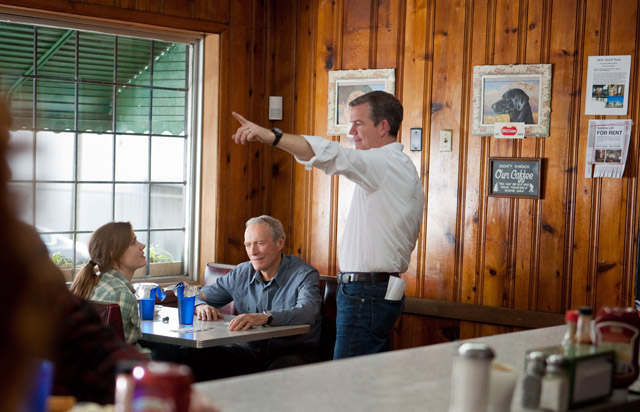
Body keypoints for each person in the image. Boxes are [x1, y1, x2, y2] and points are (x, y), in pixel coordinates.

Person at [0, 98, 220, 411]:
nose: (8, 172)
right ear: (116, 252)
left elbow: (85, 342)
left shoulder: (18, 248)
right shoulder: (117, 288)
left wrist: (148, 383)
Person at [231, 91, 424, 359]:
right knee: (366, 381)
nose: (351, 131)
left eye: (359, 123)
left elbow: (332, 155)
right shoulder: (393, 166)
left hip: (366, 294)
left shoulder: (385, 163)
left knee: (345, 383)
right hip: (373, 292)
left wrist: (272, 136)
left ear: (383, 127)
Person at [187, 215, 321, 381]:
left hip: (292, 352)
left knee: (276, 375)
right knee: (191, 356)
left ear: (280, 242)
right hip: (250, 350)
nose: (253, 252)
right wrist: (200, 305)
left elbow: (308, 311)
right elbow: (196, 294)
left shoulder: (304, 274)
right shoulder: (241, 273)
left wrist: (265, 317)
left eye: (260, 243)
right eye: (248, 245)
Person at [70, 221, 146, 345]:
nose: (142, 245)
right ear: (115, 254)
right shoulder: (120, 293)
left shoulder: (96, 282)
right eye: (133, 242)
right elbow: (113, 350)